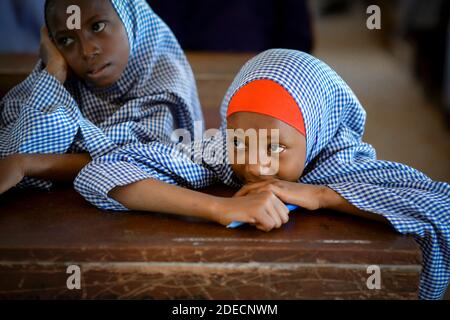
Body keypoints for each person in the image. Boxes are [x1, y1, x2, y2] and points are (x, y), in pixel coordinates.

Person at [72, 49, 449, 299]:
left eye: (275, 147)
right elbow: (103, 171)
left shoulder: (347, 166)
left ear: (315, 132)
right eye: (241, 142)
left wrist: (322, 195)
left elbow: (442, 208)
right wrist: (218, 209)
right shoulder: (220, 153)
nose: (254, 165)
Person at [0, 0, 203, 192]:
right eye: (66, 40)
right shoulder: (61, 82)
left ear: (131, 18)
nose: (87, 51)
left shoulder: (164, 81)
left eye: (97, 27)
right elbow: (11, 150)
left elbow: (132, 159)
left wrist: (28, 163)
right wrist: (54, 71)